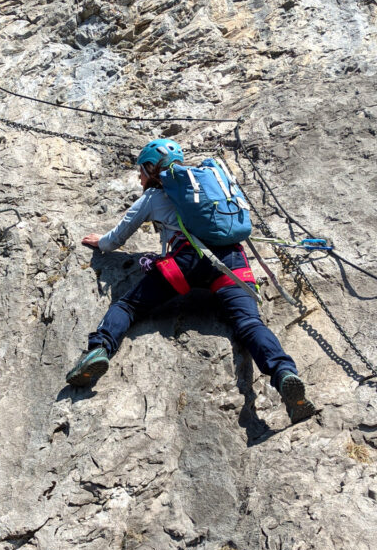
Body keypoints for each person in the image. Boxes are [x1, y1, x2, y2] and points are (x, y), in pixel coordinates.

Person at [66, 139, 316, 424]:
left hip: (186, 262)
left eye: (141, 170)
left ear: (150, 168)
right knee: (249, 324)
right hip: (231, 261)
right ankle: (284, 374)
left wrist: (101, 242)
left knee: (128, 307)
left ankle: (99, 350)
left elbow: (116, 239)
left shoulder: (153, 198)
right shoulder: (206, 188)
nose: (139, 176)